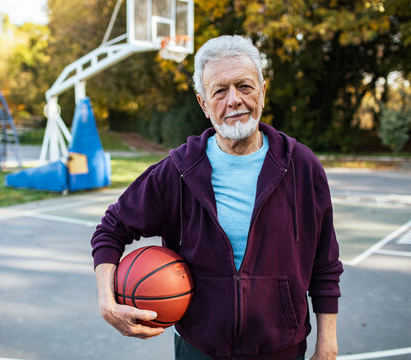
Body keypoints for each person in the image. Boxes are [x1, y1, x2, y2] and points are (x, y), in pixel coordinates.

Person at [91, 35, 343, 360]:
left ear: (263, 91)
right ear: (203, 103)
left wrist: (328, 344)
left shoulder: (302, 166)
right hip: (200, 350)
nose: (234, 100)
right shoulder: (179, 170)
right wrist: (106, 301)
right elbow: (111, 228)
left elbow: (325, 264)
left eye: (245, 86)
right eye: (220, 91)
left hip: (282, 350)